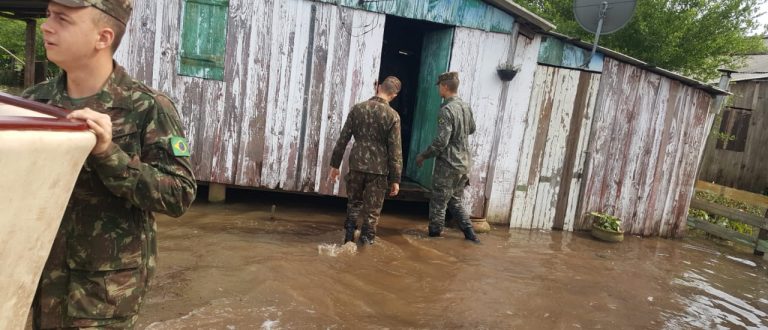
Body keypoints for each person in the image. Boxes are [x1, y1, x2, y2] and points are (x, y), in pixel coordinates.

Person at [22, 0, 197, 328]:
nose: (47, 26)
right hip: (40, 279)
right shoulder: (35, 103)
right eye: (48, 15)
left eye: (62, 19)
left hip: (105, 290)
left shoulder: (147, 107)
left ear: (102, 38)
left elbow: (179, 194)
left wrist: (108, 153)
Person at [328, 76, 403, 245]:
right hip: (378, 171)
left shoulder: (357, 109)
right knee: (371, 213)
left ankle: (347, 242)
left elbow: (343, 139)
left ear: (379, 87)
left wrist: (335, 165)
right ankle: (365, 251)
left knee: (353, 205)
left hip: (356, 165)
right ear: (394, 95)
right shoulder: (393, 116)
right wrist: (396, 179)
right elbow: (395, 150)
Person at [415, 72, 480, 243]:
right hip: (464, 164)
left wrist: (423, 155)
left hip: (449, 164)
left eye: (439, 86)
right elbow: (472, 129)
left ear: (445, 86)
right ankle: (470, 234)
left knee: (438, 203)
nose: (438, 89)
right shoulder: (466, 106)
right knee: (454, 200)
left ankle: (434, 240)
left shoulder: (446, 109)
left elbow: (441, 142)